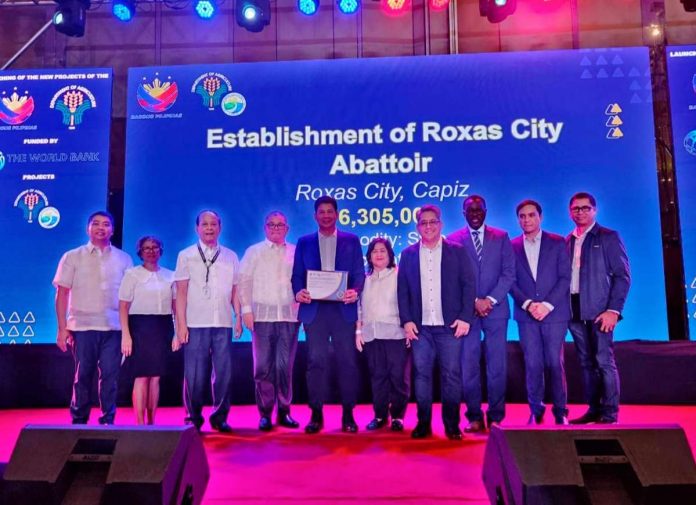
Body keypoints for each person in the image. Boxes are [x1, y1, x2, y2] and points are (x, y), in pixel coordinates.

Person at [397, 204, 476, 440]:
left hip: (450, 326)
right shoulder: (408, 254)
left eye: (433, 222)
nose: (428, 226)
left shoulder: (457, 251)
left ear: (440, 224)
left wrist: (465, 318)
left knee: (451, 375)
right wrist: (407, 321)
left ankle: (451, 425)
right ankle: (423, 423)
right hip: (420, 328)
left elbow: (468, 285)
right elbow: (403, 291)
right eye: (423, 223)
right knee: (421, 375)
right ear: (417, 227)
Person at [292, 196, 365, 434]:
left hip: (343, 311)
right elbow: (297, 275)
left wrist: (355, 291)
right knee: (315, 363)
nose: (326, 215)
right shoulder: (304, 242)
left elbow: (358, 274)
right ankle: (316, 414)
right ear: (315, 216)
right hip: (315, 311)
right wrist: (298, 292)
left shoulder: (351, 240)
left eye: (330, 211)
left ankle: (348, 415)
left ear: (337, 214)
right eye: (321, 212)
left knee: (347, 363)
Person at [53, 210, 133, 424]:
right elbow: (62, 293)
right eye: (96, 224)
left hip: (114, 328)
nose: (101, 228)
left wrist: (127, 331)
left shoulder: (124, 259)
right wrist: (62, 328)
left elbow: (129, 297)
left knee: (110, 377)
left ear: (112, 230)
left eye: (106, 224)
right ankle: (79, 419)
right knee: (83, 376)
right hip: (82, 327)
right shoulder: (72, 256)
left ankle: (108, 419)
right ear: (88, 228)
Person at [448, 194, 515, 432]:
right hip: (467, 313)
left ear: (485, 211)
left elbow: (509, 274)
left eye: (479, 210)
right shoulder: (454, 240)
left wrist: (490, 300)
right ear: (463, 212)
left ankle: (496, 416)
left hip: (496, 311)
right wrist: (474, 301)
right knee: (469, 366)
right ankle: (474, 416)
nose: (475, 214)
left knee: (497, 365)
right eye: (470, 210)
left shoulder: (501, 237)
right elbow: (453, 278)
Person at [174, 210, 242, 433]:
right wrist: (180, 325)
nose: (209, 228)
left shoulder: (230, 255)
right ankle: (193, 417)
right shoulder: (186, 255)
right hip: (195, 322)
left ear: (220, 228)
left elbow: (235, 291)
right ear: (197, 228)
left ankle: (220, 416)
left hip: (222, 322)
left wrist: (238, 318)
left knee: (224, 373)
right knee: (194, 374)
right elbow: (181, 293)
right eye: (205, 224)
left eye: (214, 224)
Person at [566, 192, 630, 424]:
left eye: (585, 208)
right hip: (574, 312)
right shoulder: (568, 240)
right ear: (569, 211)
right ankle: (593, 409)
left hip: (601, 312)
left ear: (594, 210)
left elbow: (622, 276)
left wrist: (613, 310)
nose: (580, 212)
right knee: (586, 363)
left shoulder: (608, 236)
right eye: (575, 209)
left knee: (604, 361)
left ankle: (610, 413)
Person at [510, 200, 570, 426]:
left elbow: (565, 277)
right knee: (532, 363)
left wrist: (547, 305)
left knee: (555, 362)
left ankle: (561, 411)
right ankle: (536, 409)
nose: (527, 220)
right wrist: (527, 304)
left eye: (531, 215)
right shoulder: (512, 245)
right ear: (518, 220)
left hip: (554, 315)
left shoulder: (557, 242)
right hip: (526, 316)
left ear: (540, 217)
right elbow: (510, 280)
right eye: (522, 216)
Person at [239, 211, 301, 432]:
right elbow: (243, 281)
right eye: (271, 225)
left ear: (287, 229)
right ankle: (265, 413)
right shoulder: (254, 252)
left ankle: (284, 411)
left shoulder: (296, 252)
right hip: (262, 317)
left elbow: (303, 280)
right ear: (265, 227)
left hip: (289, 317)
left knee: (285, 366)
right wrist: (246, 310)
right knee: (263, 366)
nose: (276, 228)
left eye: (280, 225)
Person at [119, 235, 180, 425]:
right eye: (147, 248)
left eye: (155, 247)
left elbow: (176, 307)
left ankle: (152, 423)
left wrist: (177, 332)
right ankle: (139, 424)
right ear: (140, 252)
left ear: (161, 251)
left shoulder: (171, 275)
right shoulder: (132, 274)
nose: (151, 251)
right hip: (139, 328)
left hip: (163, 328)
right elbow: (123, 307)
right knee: (141, 377)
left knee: (155, 378)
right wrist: (126, 336)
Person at [356, 238, 410, 432]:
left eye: (383, 251)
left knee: (398, 377)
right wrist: (358, 332)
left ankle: (397, 416)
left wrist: (408, 329)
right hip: (372, 335)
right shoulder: (364, 279)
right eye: (374, 251)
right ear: (369, 256)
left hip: (396, 333)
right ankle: (379, 415)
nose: (378, 254)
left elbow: (408, 303)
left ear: (390, 255)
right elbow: (359, 308)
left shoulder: (399, 276)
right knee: (377, 376)